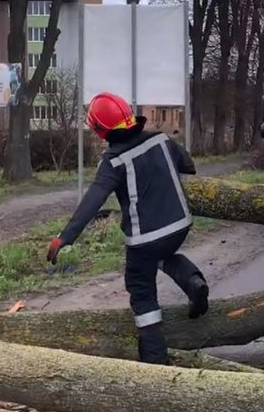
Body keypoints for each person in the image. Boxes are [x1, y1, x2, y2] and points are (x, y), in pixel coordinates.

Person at [45, 91, 210, 365]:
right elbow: (188, 166)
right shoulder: (161, 139)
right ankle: (192, 281)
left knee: (140, 287)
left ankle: (155, 360)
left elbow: (93, 199)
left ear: (100, 130)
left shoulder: (113, 161)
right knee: (162, 254)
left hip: (145, 237)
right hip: (180, 225)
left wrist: (65, 237)